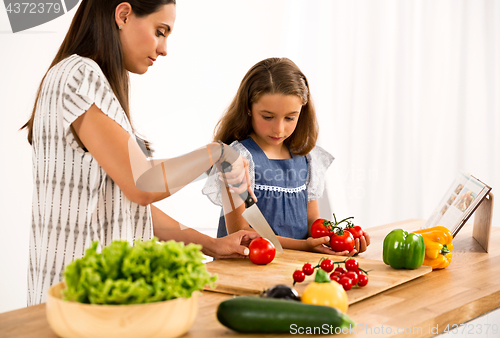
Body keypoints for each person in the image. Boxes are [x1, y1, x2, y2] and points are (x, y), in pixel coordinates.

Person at [21, 0, 258, 306]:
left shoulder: (82, 78)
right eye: (160, 31)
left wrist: (211, 245)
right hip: (82, 297)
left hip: (85, 293)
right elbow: (141, 184)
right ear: (123, 14)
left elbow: (125, 203)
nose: (164, 49)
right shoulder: (81, 75)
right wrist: (217, 154)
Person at [203, 57, 370, 255]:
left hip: (293, 267)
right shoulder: (236, 158)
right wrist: (305, 246)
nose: (279, 128)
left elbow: (311, 221)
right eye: (267, 117)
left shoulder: (308, 158)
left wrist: (335, 238)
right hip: (246, 267)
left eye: (290, 118)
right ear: (248, 108)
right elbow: (242, 233)